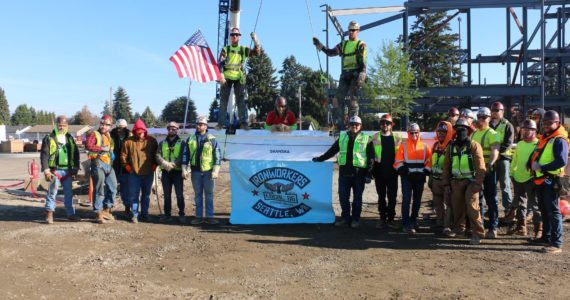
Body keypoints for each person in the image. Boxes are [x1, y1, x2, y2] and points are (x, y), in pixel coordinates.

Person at [312, 116, 374, 228]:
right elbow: (332, 151)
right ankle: (345, 218)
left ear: (360, 126)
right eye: (352, 124)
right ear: (348, 125)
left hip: (359, 174)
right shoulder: (342, 137)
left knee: (357, 198)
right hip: (344, 173)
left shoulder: (367, 139)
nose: (354, 126)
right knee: (343, 197)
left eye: (357, 124)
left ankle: (355, 220)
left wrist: (369, 174)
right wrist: (320, 158)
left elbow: (371, 158)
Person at [313, 21, 367, 130]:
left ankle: (353, 124)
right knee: (337, 99)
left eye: (353, 30)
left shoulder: (361, 45)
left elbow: (363, 63)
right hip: (345, 75)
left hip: (355, 74)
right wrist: (320, 45)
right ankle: (341, 124)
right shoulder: (344, 44)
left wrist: (362, 74)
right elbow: (331, 52)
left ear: (358, 31)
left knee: (353, 100)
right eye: (349, 30)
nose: (351, 32)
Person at [442, 119, 486, 245]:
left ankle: (477, 233)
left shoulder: (474, 145)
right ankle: (459, 229)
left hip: (471, 182)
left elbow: (481, 167)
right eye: (458, 127)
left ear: (468, 129)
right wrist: (446, 184)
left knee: (472, 208)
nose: (461, 129)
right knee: (457, 207)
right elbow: (446, 167)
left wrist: (478, 184)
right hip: (455, 182)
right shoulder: (451, 147)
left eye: (463, 127)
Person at [530, 110, 568, 254]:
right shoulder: (545, 137)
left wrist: (542, 167)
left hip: (551, 180)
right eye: (544, 122)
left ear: (557, 123)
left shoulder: (559, 140)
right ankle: (546, 237)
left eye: (549, 123)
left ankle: (556, 243)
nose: (545, 125)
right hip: (541, 179)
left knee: (553, 211)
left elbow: (561, 161)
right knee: (545, 210)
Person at [217, 27, 261, 130]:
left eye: (236, 35)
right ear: (230, 37)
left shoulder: (243, 49)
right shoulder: (226, 49)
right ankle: (221, 123)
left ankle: (243, 123)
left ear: (240, 37)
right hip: (226, 78)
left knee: (241, 100)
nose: (234, 36)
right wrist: (221, 74)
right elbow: (220, 62)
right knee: (223, 100)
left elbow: (257, 53)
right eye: (233, 35)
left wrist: (255, 40)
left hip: (239, 77)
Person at [40, 115, 80, 224]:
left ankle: (71, 214)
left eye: (64, 125)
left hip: (67, 171)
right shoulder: (49, 138)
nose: (62, 127)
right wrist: (46, 170)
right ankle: (49, 213)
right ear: (56, 125)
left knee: (69, 193)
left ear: (67, 126)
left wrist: (76, 167)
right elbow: (44, 154)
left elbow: (76, 154)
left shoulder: (70, 138)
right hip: (54, 171)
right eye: (60, 125)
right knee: (52, 192)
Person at [183, 116, 222, 225]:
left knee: (209, 195)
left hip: (208, 172)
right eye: (198, 124)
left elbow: (217, 156)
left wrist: (216, 170)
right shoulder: (190, 139)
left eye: (202, 124)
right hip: (195, 172)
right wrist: (184, 169)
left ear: (206, 126)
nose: (199, 126)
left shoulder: (212, 139)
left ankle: (209, 217)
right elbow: (185, 155)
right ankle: (198, 217)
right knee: (197, 195)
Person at [394, 123, 432, 234]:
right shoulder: (403, 146)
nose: (414, 134)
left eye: (416, 132)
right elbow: (397, 162)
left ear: (419, 132)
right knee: (406, 200)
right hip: (407, 177)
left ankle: (414, 220)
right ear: (408, 133)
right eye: (412, 132)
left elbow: (429, 161)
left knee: (417, 200)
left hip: (420, 178)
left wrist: (426, 171)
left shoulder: (425, 147)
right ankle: (406, 223)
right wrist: (404, 171)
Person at [121, 119, 158, 223]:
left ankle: (145, 214)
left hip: (148, 173)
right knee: (134, 195)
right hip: (134, 174)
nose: (141, 134)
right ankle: (135, 215)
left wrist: (155, 164)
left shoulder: (151, 141)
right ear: (135, 131)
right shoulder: (128, 142)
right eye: (138, 132)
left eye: (142, 132)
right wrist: (127, 167)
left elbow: (157, 154)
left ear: (145, 131)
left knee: (146, 195)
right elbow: (123, 156)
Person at [472, 107, 500, 238]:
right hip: (476, 172)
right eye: (479, 117)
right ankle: (480, 226)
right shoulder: (474, 133)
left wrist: (489, 165)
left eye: (484, 117)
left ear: (489, 119)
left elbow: (495, 150)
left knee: (491, 199)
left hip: (488, 171)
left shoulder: (492, 134)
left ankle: (493, 228)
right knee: (478, 200)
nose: (481, 120)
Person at [508, 119, 540, 236]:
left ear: (534, 131)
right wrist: (512, 174)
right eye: (524, 129)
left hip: (531, 179)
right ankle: (522, 227)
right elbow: (515, 160)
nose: (526, 132)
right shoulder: (520, 144)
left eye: (529, 130)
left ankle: (538, 230)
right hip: (518, 178)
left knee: (535, 205)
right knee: (521, 204)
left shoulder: (538, 144)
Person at [86, 115, 118, 224]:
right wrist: (101, 148)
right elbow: (88, 145)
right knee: (99, 189)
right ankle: (98, 212)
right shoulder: (94, 134)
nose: (104, 126)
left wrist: (111, 153)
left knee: (113, 187)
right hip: (98, 163)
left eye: (107, 125)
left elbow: (110, 148)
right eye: (103, 124)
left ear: (110, 126)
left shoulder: (109, 136)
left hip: (109, 164)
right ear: (100, 124)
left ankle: (106, 209)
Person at [371, 114, 402, 229]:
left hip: (393, 173)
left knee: (392, 197)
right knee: (381, 197)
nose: (385, 125)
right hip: (379, 173)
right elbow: (370, 155)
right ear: (380, 124)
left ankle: (391, 219)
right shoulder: (374, 138)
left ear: (391, 125)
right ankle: (382, 218)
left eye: (387, 123)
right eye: (383, 123)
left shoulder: (397, 138)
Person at [156, 121, 186, 223]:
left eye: (173, 129)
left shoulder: (182, 143)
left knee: (179, 194)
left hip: (177, 172)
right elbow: (157, 155)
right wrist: (164, 163)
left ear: (177, 130)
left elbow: (183, 156)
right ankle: (167, 214)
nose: (171, 130)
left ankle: (181, 214)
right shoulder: (162, 143)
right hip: (166, 172)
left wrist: (172, 164)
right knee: (167, 195)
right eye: (169, 128)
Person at [489, 101, 515, 220]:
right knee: (491, 185)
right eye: (493, 110)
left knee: (505, 185)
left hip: (503, 159)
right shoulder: (487, 124)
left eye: (497, 110)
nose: (494, 112)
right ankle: (492, 210)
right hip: (490, 159)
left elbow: (508, 143)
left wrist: (497, 154)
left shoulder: (507, 125)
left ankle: (508, 211)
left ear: (502, 112)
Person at [429, 121, 454, 229]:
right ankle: (440, 222)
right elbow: (431, 162)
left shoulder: (452, 146)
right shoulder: (435, 145)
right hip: (435, 179)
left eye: (444, 132)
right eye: (439, 131)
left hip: (447, 182)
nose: (441, 134)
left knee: (449, 204)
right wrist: (430, 178)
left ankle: (447, 226)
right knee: (437, 203)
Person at [110, 118, 131, 217]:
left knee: (126, 189)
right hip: (113, 166)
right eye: (119, 128)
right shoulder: (111, 135)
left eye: (122, 128)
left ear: (125, 127)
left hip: (126, 167)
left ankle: (127, 208)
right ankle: (108, 208)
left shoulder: (130, 136)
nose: (120, 130)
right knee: (111, 188)